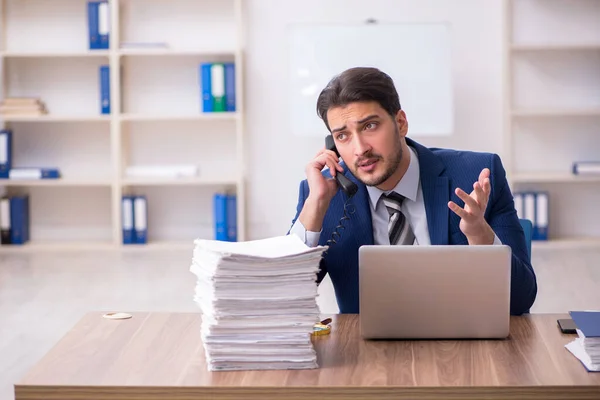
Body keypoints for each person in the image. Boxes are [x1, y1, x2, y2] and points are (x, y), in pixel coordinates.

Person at [288, 67, 537, 316]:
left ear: (401, 123)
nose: (360, 149)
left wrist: (480, 237)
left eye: (370, 126)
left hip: (463, 348)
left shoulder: (477, 176)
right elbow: (285, 302)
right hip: (367, 350)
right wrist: (315, 207)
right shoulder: (322, 195)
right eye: (342, 136)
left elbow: (520, 301)